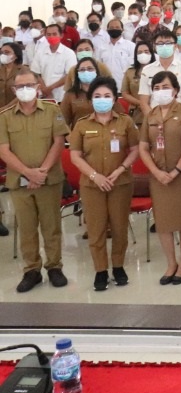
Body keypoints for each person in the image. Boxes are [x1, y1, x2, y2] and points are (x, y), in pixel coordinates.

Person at [0, 68, 70, 292]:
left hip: (49, 180)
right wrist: (28, 173)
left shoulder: (52, 110)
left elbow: (59, 143)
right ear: (13, 89)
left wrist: (41, 172)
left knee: (52, 226)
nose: (25, 90)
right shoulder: (5, 116)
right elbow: (4, 151)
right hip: (19, 181)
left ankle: (54, 267)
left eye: (29, 85)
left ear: (38, 87)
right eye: (20, 87)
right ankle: (32, 270)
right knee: (27, 228)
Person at [68, 76, 139, 291]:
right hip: (92, 186)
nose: (102, 100)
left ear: (114, 98)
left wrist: (119, 170)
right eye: (97, 96)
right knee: (96, 228)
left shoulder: (125, 121)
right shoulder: (82, 125)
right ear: (91, 100)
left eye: (106, 96)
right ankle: (100, 270)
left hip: (120, 183)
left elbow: (135, 150)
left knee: (119, 227)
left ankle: (118, 266)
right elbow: (75, 155)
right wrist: (94, 176)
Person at [138, 70, 181, 284]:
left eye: (165, 87)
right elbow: (143, 147)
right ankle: (170, 263)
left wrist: (176, 171)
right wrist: (157, 172)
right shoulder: (151, 115)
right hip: (159, 176)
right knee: (163, 222)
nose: (161, 91)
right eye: (156, 88)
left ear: (175, 90)